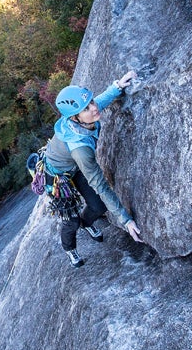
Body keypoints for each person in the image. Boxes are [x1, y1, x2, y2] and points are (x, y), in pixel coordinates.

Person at [44, 70, 143, 268]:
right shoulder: (80, 149)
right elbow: (100, 184)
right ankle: (69, 248)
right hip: (58, 175)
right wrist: (126, 220)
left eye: (90, 102)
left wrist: (117, 87)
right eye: (86, 107)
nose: (93, 108)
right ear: (75, 117)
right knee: (70, 221)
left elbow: (99, 103)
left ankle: (87, 222)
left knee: (98, 207)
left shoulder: (84, 117)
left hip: (76, 167)